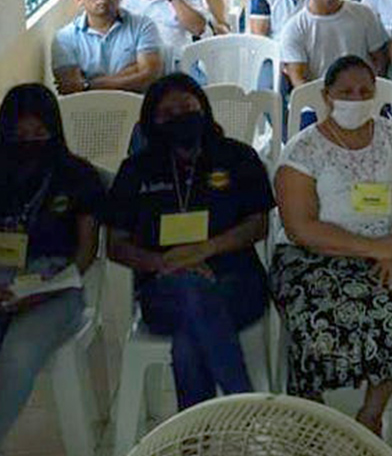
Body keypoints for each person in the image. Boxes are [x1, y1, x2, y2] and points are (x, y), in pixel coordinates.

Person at [272, 56, 392, 435]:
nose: (356, 99)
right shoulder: (303, 150)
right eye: (346, 92)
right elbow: (300, 228)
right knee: (314, 317)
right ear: (327, 97)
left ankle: (371, 413)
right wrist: (378, 249)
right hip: (313, 256)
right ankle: (315, 416)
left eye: (365, 91)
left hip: (389, 247)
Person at [104, 75, 271, 409]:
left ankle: (196, 448)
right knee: (192, 291)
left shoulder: (237, 157)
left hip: (237, 284)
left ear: (204, 110)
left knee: (187, 340)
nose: (180, 116)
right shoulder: (136, 170)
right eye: (168, 112)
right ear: (151, 121)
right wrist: (164, 263)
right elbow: (116, 244)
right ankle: (247, 409)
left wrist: (206, 249)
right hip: (161, 287)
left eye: (187, 107)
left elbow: (258, 225)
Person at [0, 84, 104, 443]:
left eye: (39, 133)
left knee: (18, 353)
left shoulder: (78, 176)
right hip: (3, 279)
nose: (30, 142)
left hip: (57, 284)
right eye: (20, 135)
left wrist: (41, 289)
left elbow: (86, 253)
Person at [279, 0, 389, 91]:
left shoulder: (364, 14)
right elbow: (298, 80)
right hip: (317, 102)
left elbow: (380, 60)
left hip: (362, 97)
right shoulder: (294, 28)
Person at [52, 0, 163, 95]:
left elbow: (149, 77)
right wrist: (132, 71)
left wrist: (88, 84)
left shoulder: (142, 25)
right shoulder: (65, 38)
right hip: (85, 113)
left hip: (137, 108)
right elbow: (70, 88)